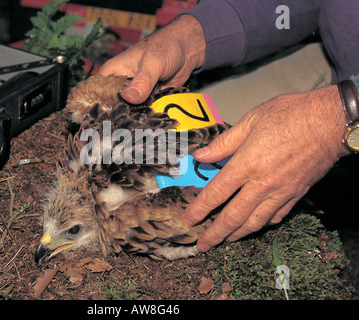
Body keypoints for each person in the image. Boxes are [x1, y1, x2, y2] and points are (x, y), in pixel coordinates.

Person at [98, 0, 359, 252]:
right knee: (166, 145)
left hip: (348, 95)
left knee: (229, 202)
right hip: (344, 53)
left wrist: (334, 118)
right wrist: (192, 36)